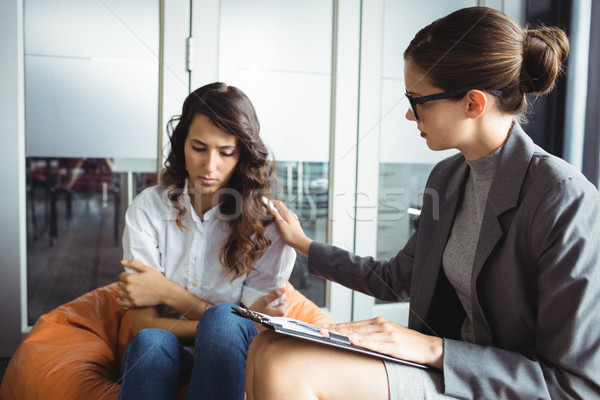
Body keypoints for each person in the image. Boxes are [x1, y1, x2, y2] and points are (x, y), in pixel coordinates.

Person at [245, 7, 600, 399]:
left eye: (419, 100)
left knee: (285, 365)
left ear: (473, 104)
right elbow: (396, 279)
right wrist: (303, 244)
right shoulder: (448, 178)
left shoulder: (563, 198)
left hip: (491, 385)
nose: (409, 113)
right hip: (442, 369)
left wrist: (434, 349)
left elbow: (574, 386)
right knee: (266, 347)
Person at [116, 82, 296, 400]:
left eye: (226, 152)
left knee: (224, 325)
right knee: (151, 342)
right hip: (168, 349)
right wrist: (222, 318)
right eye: (199, 148)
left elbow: (253, 327)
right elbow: (142, 324)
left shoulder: (266, 224)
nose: (209, 166)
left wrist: (167, 292)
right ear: (182, 143)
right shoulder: (148, 207)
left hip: (237, 352)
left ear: (242, 154)